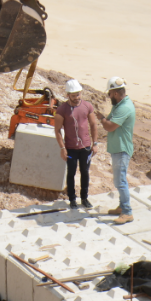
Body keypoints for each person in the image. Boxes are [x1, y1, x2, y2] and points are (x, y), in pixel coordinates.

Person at [54, 78, 98, 209]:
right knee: (71, 173)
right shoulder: (62, 110)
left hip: (85, 147)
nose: (77, 97)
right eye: (73, 95)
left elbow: (93, 124)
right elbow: (57, 130)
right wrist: (62, 148)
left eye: (78, 94)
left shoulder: (87, 106)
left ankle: (84, 198)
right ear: (68, 95)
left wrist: (95, 143)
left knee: (85, 172)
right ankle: (72, 199)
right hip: (71, 148)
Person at [97, 76, 136, 224]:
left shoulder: (124, 108)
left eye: (109, 93)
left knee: (120, 181)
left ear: (114, 93)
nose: (108, 96)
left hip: (121, 149)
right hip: (118, 148)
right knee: (120, 179)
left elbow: (109, 126)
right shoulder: (119, 105)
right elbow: (110, 120)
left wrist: (101, 119)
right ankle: (122, 207)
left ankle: (127, 212)